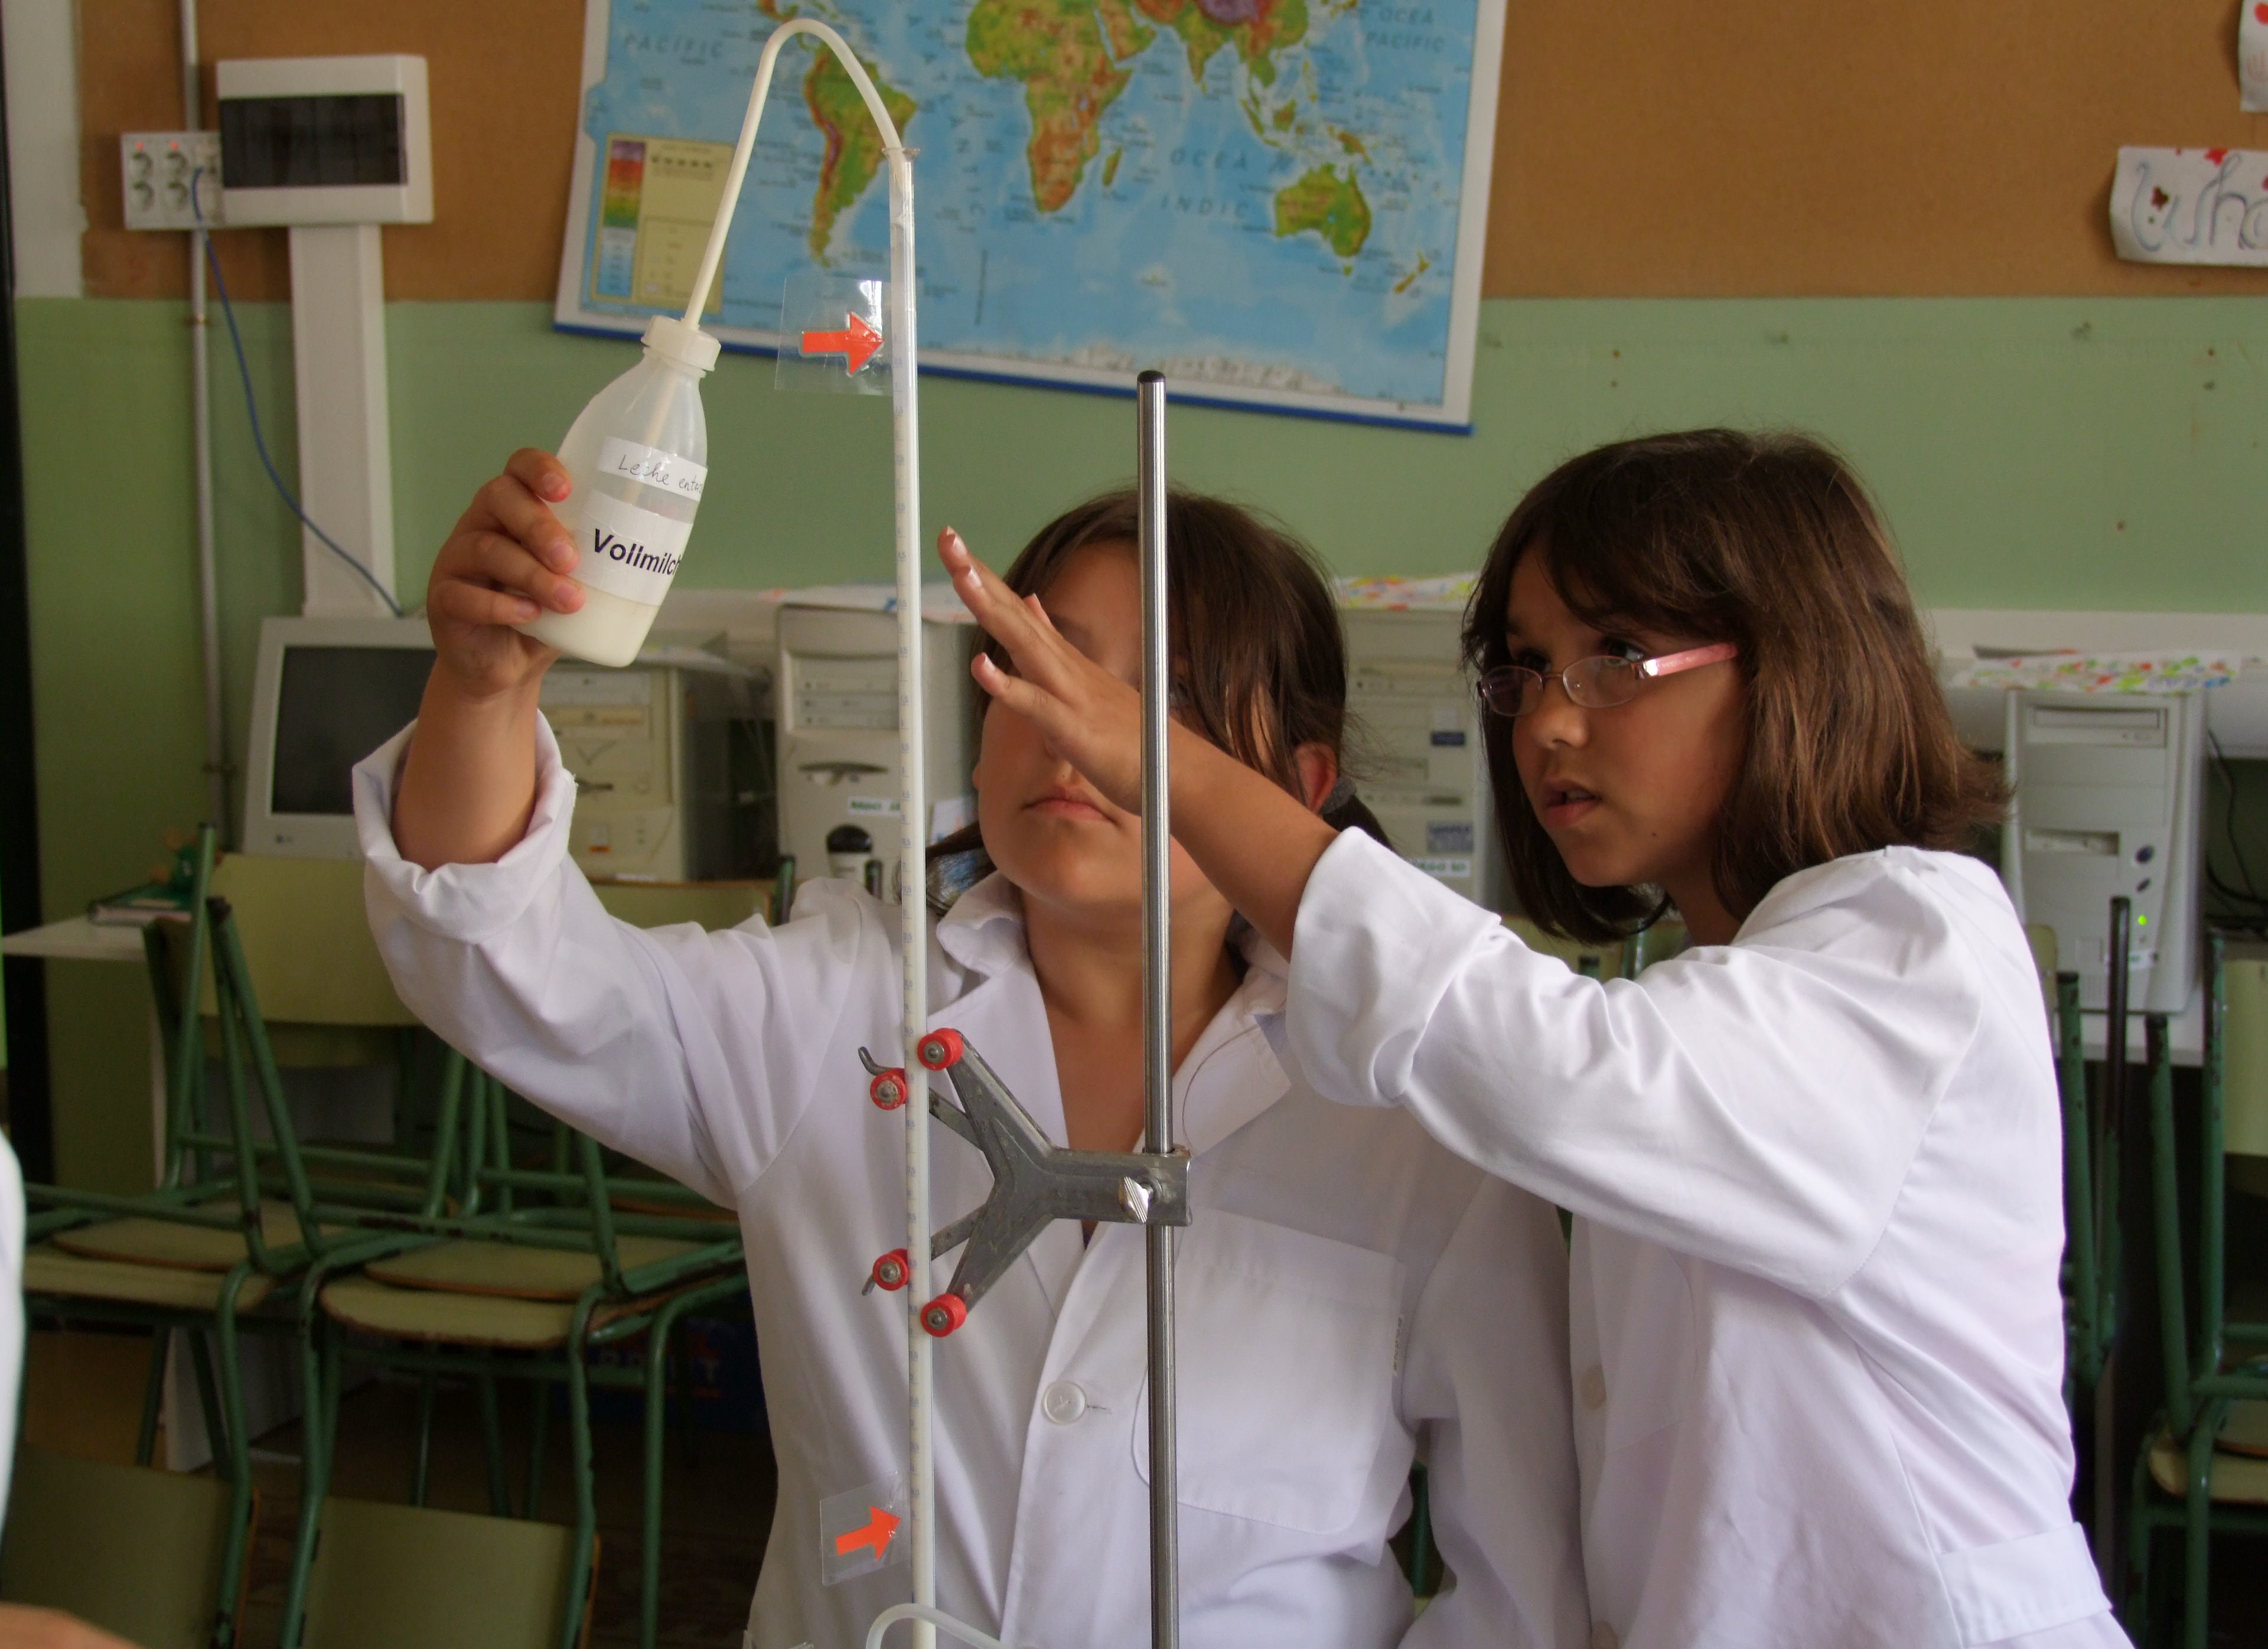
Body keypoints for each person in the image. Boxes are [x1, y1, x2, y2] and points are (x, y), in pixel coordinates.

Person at [358, 451, 1589, 1649]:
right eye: (1036, 670)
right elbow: (511, 969)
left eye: (1158, 701)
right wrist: (482, 689)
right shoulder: (836, 1005)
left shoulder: (1407, 1108)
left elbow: (1521, 1593)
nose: (1077, 733)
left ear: (1299, 784)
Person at [941, 429, 2120, 1649]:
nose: (1550, 722)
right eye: (1525, 669)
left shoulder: (1914, 941)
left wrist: (1171, 770)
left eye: (1615, 658)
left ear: (1795, 665)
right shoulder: (1707, 993)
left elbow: (1559, 1072)